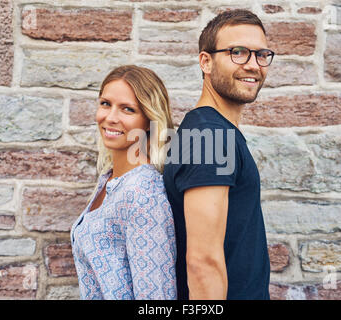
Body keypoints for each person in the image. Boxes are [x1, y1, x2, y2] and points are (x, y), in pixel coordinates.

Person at [163, 9, 274, 300]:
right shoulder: (210, 136)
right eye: (238, 52)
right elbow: (203, 263)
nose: (253, 65)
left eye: (261, 54)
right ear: (206, 61)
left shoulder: (212, 131)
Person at [71, 65, 177, 300]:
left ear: (149, 120)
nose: (110, 118)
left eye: (127, 109)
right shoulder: (108, 179)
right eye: (105, 103)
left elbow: (156, 298)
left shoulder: (144, 193)